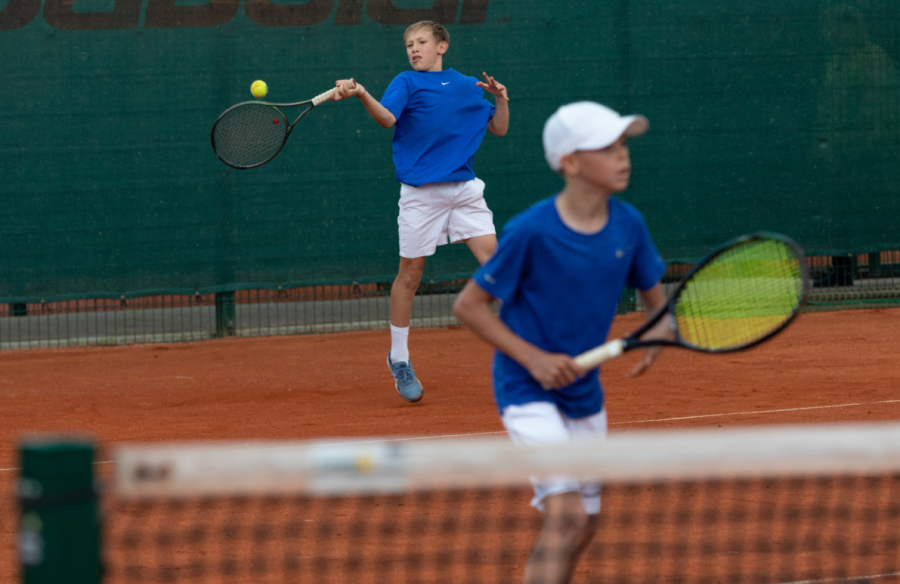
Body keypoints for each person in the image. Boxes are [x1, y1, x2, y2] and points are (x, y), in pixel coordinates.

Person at [453, 102, 670, 584]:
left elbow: (657, 304)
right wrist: (535, 360)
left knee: (586, 524)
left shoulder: (628, 224)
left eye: (624, 145)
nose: (623, 155)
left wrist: (659, 328)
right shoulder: (531, 231)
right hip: (525, 389)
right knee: (567, 515)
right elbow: (469, 306)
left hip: (584, 394)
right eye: (607, 147)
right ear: (569, 162)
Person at [332, 20, 509, 403]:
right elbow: (387, 119)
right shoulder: (406, 83)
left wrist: (502, 98)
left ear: (442, 46)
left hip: (463, 191)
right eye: (409, 43)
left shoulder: (466, 85)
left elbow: (498, 128)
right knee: (410, 277)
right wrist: (362, 92)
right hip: (420, 195)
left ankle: (527, 351)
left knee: (497, 266)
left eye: (422, 42)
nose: (414, 48)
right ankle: (399, 358)